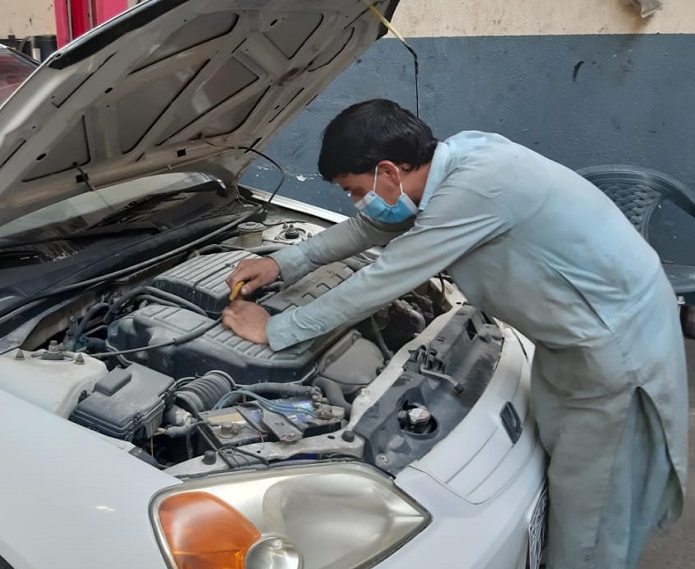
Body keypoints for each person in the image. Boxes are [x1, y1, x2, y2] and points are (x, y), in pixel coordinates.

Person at [222, 99, 687, 569]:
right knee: (569, 467)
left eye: (355, 189)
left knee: (594, 505)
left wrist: (278, 328)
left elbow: (384, 278)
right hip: (578, 331)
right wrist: (284, 263)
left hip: (612, 343)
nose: (356, 201)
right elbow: (370, 227)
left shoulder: (476, 189)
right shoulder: (459, 159)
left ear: (388, 171)